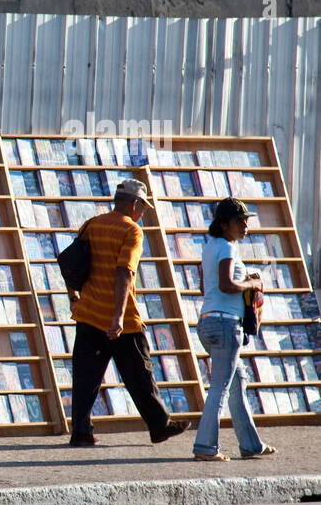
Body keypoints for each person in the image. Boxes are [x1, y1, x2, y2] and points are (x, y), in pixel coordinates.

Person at [67, 178, 190, 447]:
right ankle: (159, 426)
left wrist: (73, 295)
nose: (143, 213)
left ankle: (81, 432)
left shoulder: (92, 224)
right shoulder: (132, 231)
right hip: (121, 320)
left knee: (86, 377)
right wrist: (118, 317)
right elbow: (125, 272)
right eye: (143, 208)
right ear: (134, 205)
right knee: (140, 373)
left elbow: (71, 261)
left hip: (88, 314)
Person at [191, 198, 275, 461]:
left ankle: (251, 445)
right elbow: (227, 285)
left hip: (207, 321)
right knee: (220, 388)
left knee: (237, 383)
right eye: (240, 221)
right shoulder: (227, 248)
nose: (245, 225)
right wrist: (251, 283)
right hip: (227, 324)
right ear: (224, 224)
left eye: (246, 220)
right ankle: (205, 447)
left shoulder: (210, 247)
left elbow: (206, 287)